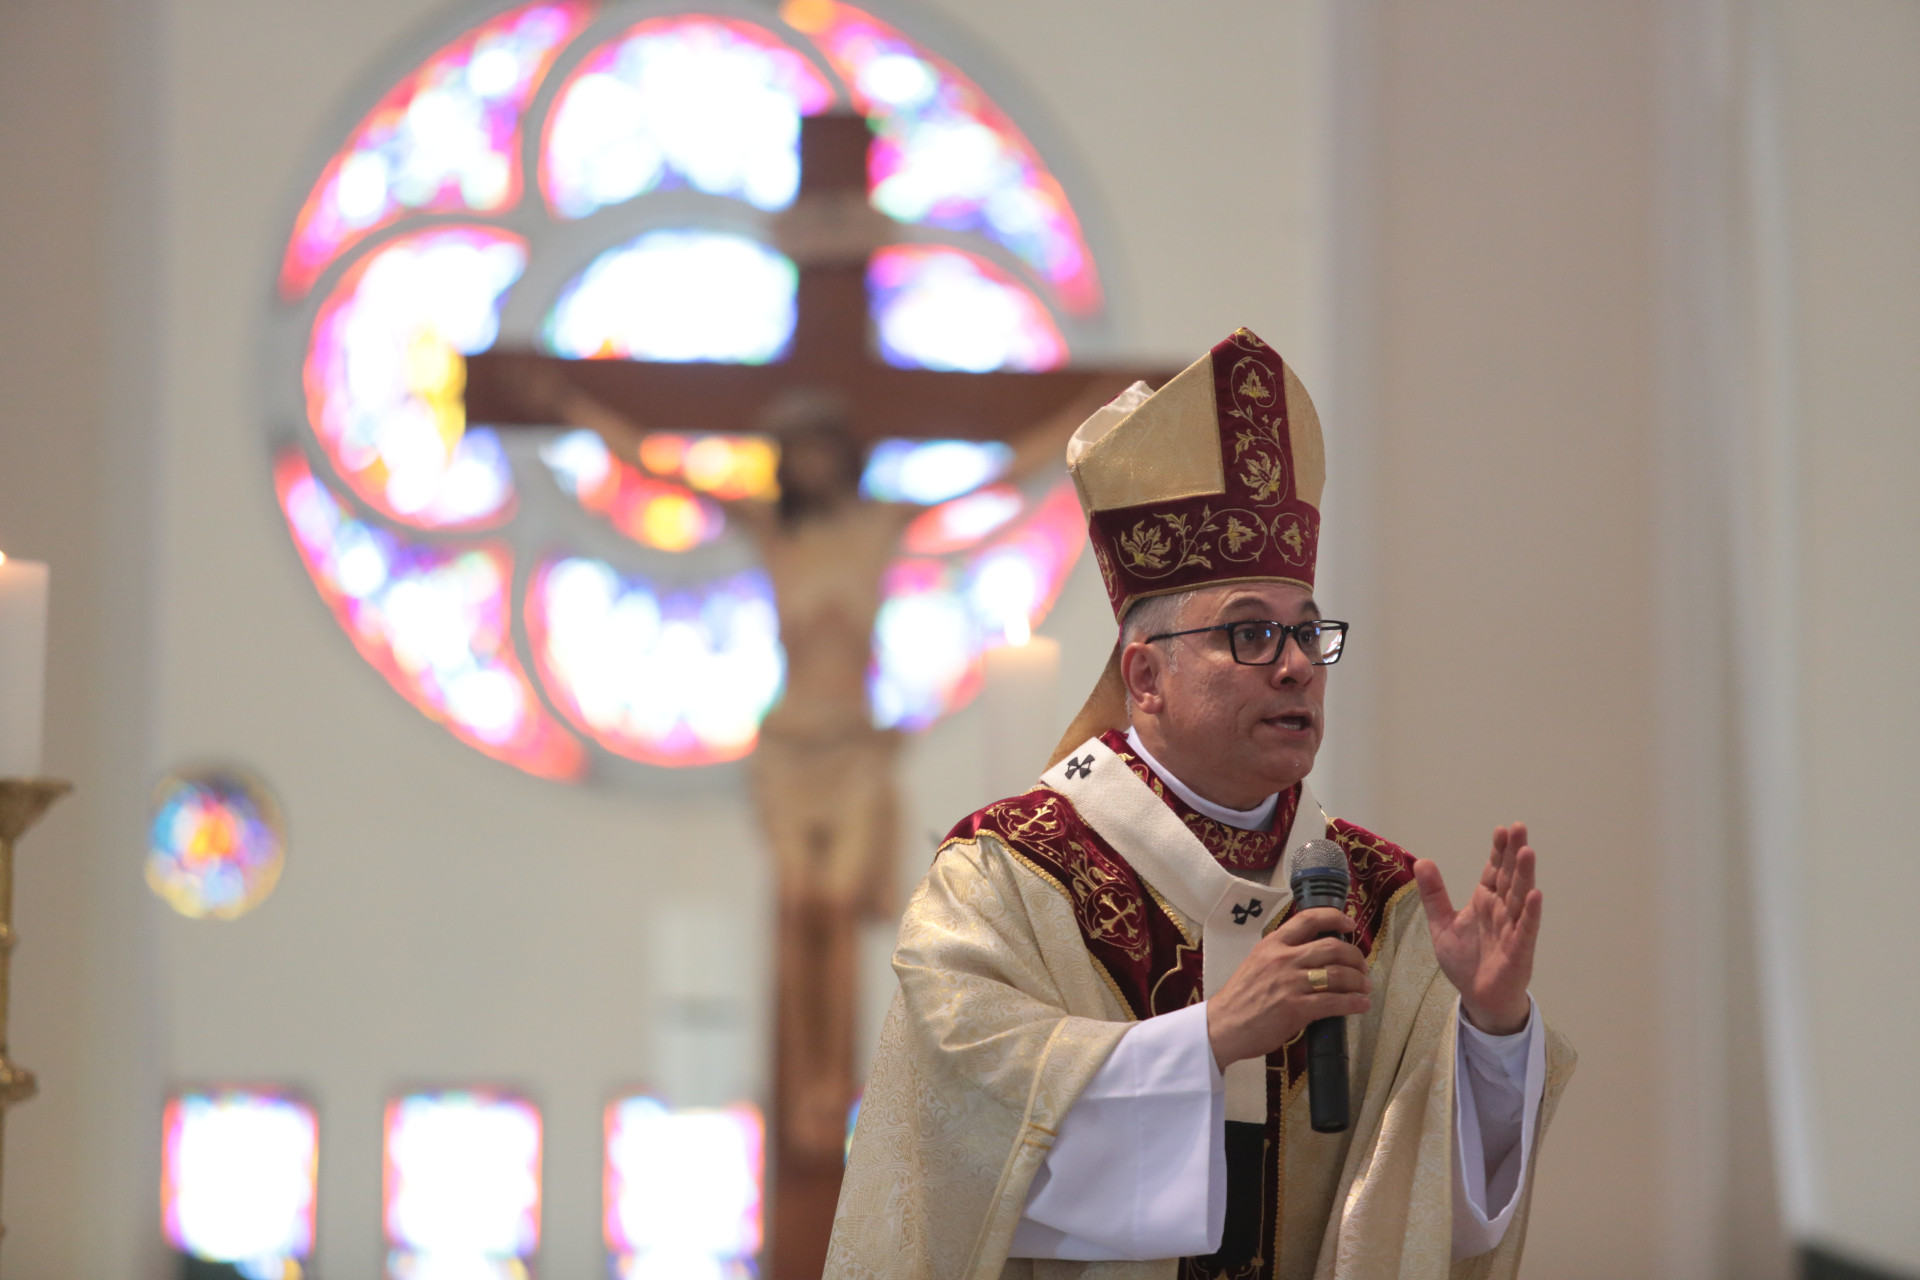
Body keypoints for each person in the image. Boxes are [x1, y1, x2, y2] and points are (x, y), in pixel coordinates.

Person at [826, 329, 1576, 1280]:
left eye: (1309, 632)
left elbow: (1440, 1212)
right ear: (1146, 676)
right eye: (1253, 633)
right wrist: (1211, 1039)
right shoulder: (1005, 877)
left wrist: (1492, 1031)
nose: (1299, 664)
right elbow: (959, 1151)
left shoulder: (1377, 896)